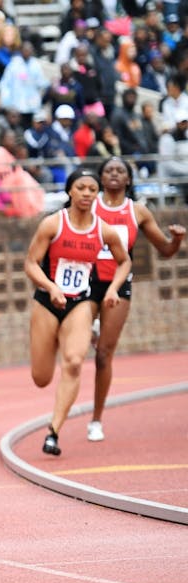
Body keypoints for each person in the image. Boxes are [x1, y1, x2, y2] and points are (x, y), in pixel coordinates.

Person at [24, 167, 130, 457]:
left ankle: (53, 432)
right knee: (41, 377)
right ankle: (51, 339)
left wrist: (112, 290)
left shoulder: (103, 229)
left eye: (92, 189)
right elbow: (31, 263)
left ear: (97, 195)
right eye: (81, 188)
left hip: (81, 302)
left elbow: (125, 262)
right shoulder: (52, 224)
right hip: (48, 301)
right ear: (70, 191)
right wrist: (51, 287)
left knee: (73, 362)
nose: (86, 193)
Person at [86, 158, 185, 441]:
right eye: (108, 171)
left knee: (104, 356)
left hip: (119, 285)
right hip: (88, 282)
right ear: (101, 178)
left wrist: (176, 240)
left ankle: (96, 419)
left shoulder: (137, 211)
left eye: (120, 171)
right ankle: (90, 328)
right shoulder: (90, 205)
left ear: (129, 179)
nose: (114, 174)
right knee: (78, 341)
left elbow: (165, 249)